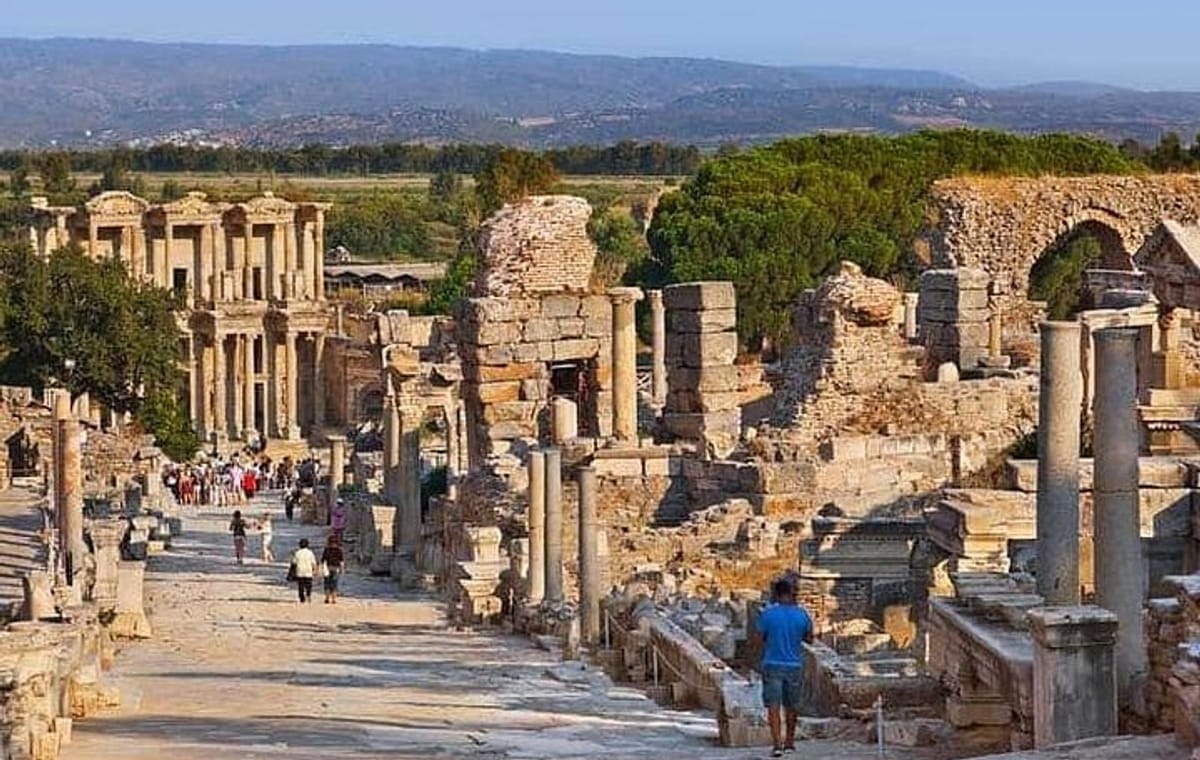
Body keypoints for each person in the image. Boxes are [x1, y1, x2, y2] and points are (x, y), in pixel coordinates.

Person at [755, 577, 813, 757]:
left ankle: (777, 745)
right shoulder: (802, 614)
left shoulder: (767, 614)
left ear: (776, 594)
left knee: (773, 705)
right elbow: (809, 638)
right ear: (791, 594)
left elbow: (759, 638)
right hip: (794, 665)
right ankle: (790, 741)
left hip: (772, 663)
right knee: (791, 706)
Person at [291, 538, 318, 603]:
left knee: (301, 585)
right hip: (308, 571)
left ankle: (302, 597)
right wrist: (315, 570)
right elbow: (313, 562)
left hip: (300, 571)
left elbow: (294, 562)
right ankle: (308, 595)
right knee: (309, 585)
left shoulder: (297, 553)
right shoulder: (310, 553)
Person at [320, 534, 345, 604]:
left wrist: (321, 568)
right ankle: (334, 599)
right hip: (336, 568)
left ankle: (327, 598)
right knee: (334, 584)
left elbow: (323, 560)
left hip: (328, 568)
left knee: (327, 583)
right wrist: (342, 569)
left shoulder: (326, 550)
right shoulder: (339, 550)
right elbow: (341, 561)